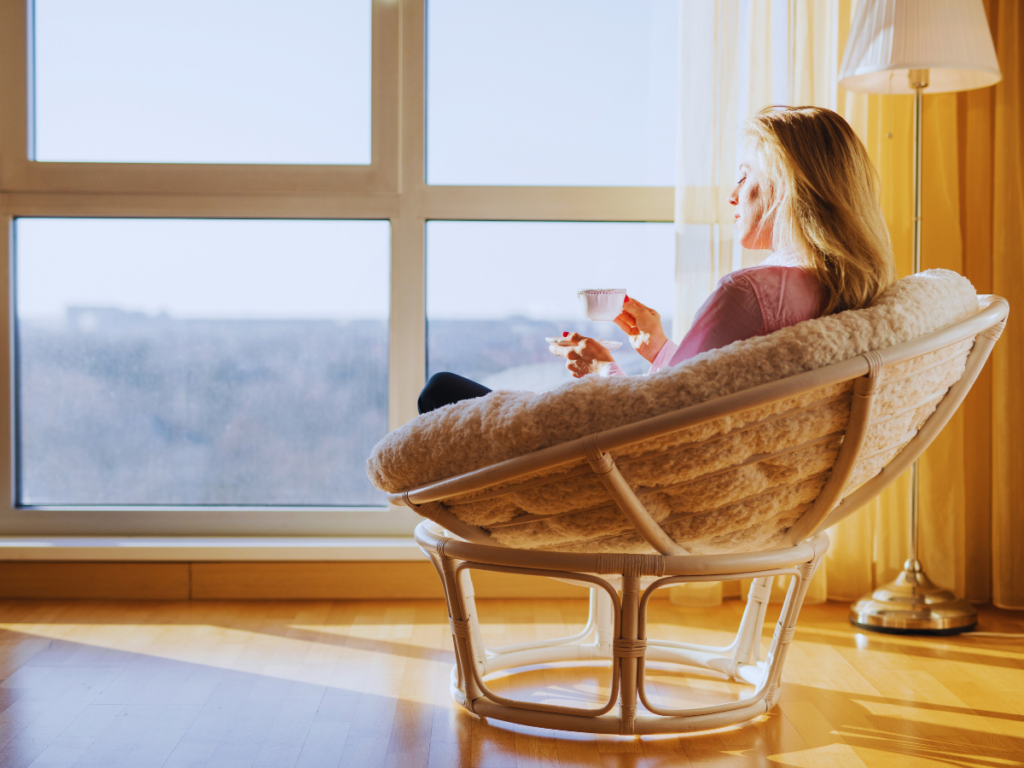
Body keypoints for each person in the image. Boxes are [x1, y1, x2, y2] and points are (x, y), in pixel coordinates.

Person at [418, 106, 895, 415]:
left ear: (784, 187)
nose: (731, 195)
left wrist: (605, 371)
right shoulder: (838, 293)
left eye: (745, 176)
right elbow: (692, 395)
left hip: (624, 480)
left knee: (440, 391)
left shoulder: (751, 293)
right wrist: (657, 349)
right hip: (708, 480)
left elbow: (654, 422)